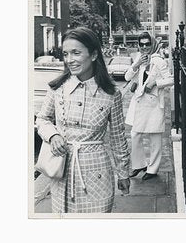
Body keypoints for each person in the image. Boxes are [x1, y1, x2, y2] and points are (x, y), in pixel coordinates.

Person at [36, 27, 130, 213]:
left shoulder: (111, 94)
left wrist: (123, 173)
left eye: (76, 53)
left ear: (93, 54)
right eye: (66, 54)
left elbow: (118, 137)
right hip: (62, 172)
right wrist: (53, 136)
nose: (69, 60)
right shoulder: (57, 88)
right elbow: (42, 119)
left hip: (98, 175)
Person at [125, 32, 174, 180]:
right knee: (135, 134)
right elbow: (127, 77)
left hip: (153, 104)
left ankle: (152, 169)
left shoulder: (158, 60)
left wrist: (155, 83)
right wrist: (137, 64)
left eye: (147, 44)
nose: (145, 47)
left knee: (154, 137)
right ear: (139, 45)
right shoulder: (138, 58)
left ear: (152, 44)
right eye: (142, 44)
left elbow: (171, 79)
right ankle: (139, 165)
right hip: (140, 102)